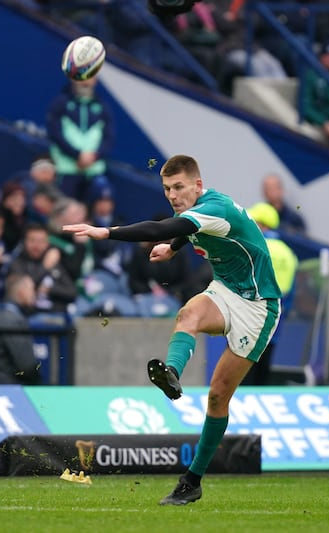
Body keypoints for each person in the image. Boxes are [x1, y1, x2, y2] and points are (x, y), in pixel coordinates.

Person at [62, 154, 281, 505]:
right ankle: (172, 374)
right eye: (166, 189)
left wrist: (105, 232)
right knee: (187, 316)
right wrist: (173, 248)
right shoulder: (199, 207)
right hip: (226, 289)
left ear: (197, 184)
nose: (172, 195)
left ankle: (192, 480)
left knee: (217, 396)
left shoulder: (215, 208)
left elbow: (163, 227)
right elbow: (184, 227)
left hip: (258, 305)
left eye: (178, 187)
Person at [241, 202, 298, 386]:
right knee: (263, 368)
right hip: (275, 317)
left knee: (240, 370)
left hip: (250, 316)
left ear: (263, 225)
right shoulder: (289, 254)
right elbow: (291, 290)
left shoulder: (256, 247)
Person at [46, 76, 115, 203]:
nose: (85, 81)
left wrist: (94, 156)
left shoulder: (103, 107)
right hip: (65, 169)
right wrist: (77, 155)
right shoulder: (61, 103)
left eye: (90, 77)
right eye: (82, 77)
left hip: (93, 171)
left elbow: (109, 138)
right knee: (64, 209)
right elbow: (55, 134)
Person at [0, 273, 41, 385]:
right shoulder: (13, 322)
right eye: (32, 289)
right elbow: (26, 366)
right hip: (12, 387)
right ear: (21, 293)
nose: (34, 294)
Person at [8, 223, 77, 315]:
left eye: (41, 241)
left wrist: (50, 289)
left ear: (47, 243)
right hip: (28, 315)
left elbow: (72, 292)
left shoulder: (53, 263)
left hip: (55, 312)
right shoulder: (17, 263)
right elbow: (25, 287)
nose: (36, 246)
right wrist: (45, 267)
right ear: (24, 241)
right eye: (32, 240)